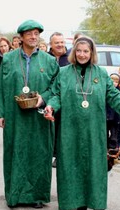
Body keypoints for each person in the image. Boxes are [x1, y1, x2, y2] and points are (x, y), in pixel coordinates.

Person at [43, 36, 120, 210]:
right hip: (70, 130)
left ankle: (98, 208)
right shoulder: (64, 73)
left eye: (86, 51)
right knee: (73, 166)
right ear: (74, 52)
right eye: (79, 51)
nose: (82, 54)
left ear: (92, 53)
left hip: (94, 130)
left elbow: (114, 95)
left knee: (95, 167)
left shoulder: (101, 73)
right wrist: (50, 106)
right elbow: (56, 94)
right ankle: (80, 204)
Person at [0, 19, 60, 209]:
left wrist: (43, 98)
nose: (33, 37)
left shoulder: (49, 60)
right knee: (16, 152)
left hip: (39, 115)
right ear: (21, 37)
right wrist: (0, 113)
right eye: (29, 34)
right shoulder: (9, 58)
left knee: (39, 153)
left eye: (36, 34)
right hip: (15, 115)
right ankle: (15, 195)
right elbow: (2, 87)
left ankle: (37, 196)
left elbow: (56, 88)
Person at [48, 32, 70, 168]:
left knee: (63, 129)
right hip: (49, 98)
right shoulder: (46, 58)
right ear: (51, 44)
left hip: (66, 99)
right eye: (57, 43)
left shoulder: (70, 58)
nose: (60, 45)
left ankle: (60, 155)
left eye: (62, 42)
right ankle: (50, 153)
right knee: (50, 127)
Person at [106, 73, 120, 153]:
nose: (114, 83)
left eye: (116, 81)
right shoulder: (105, 91)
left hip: (116, 119)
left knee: (114, 135)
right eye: (112, 81)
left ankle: (114, 149)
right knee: (105, 134)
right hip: (106, 118)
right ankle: (106, 149)